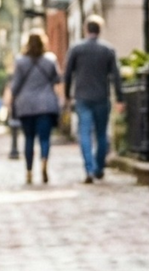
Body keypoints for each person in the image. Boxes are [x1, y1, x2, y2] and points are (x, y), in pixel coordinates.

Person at [64, 15, 124, 183]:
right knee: (101, 134)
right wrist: (120, 98)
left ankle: (89, 168)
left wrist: (67, 95)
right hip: (101, 97)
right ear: (99, 30)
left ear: (86, 29)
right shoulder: (108, 50)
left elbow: (68, 74)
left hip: (82, 97)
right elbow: (116, 76)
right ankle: (99, 167)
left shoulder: (76, 49)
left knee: (84, 133)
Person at [9, 31, 62, 184]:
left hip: (26, 105)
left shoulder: (20, 61)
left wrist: (11, 99)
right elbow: (57, 80)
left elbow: (15, 86)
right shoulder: (50, 59)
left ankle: (29, 171)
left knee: (29, 139)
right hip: (46, 104)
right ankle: (44, 161)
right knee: (45, 138)